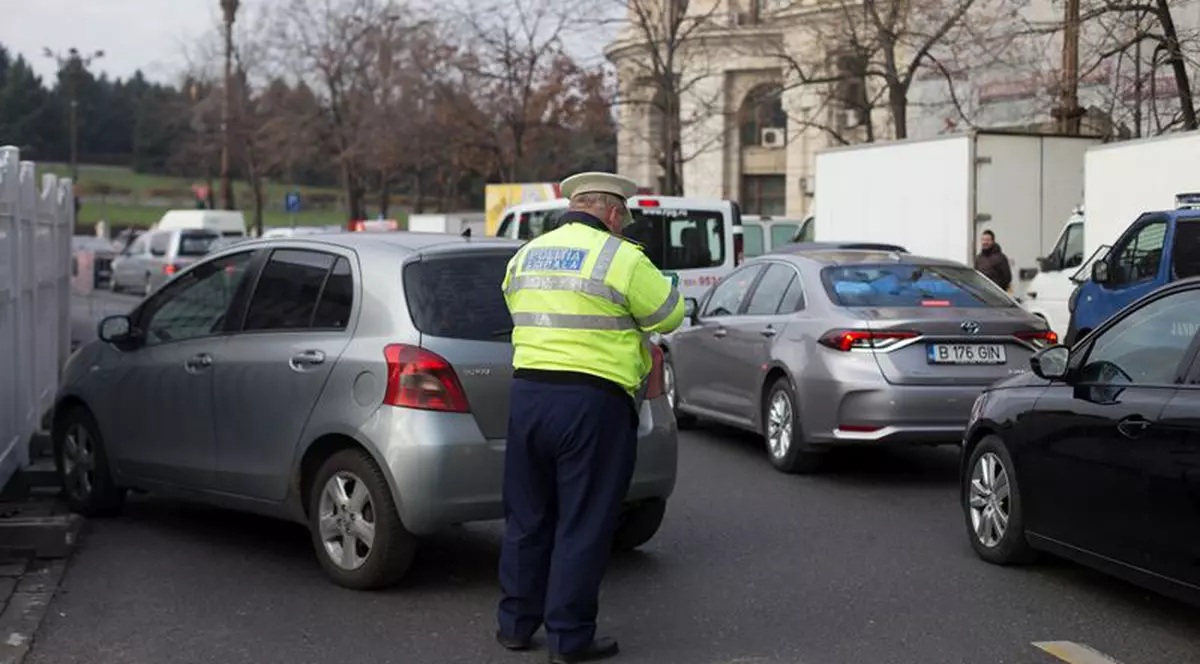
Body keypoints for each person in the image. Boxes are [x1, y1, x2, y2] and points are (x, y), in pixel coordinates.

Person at [496, 172, 685, 663]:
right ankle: (569, 637)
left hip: (529, 395)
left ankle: (515, 625)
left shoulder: (526, 254)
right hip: (592, 402)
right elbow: (668, 315)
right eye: (624, 219)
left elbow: (512, 302)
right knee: (583, 521)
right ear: (614, 213)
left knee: (527, 517)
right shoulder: (620, 257)